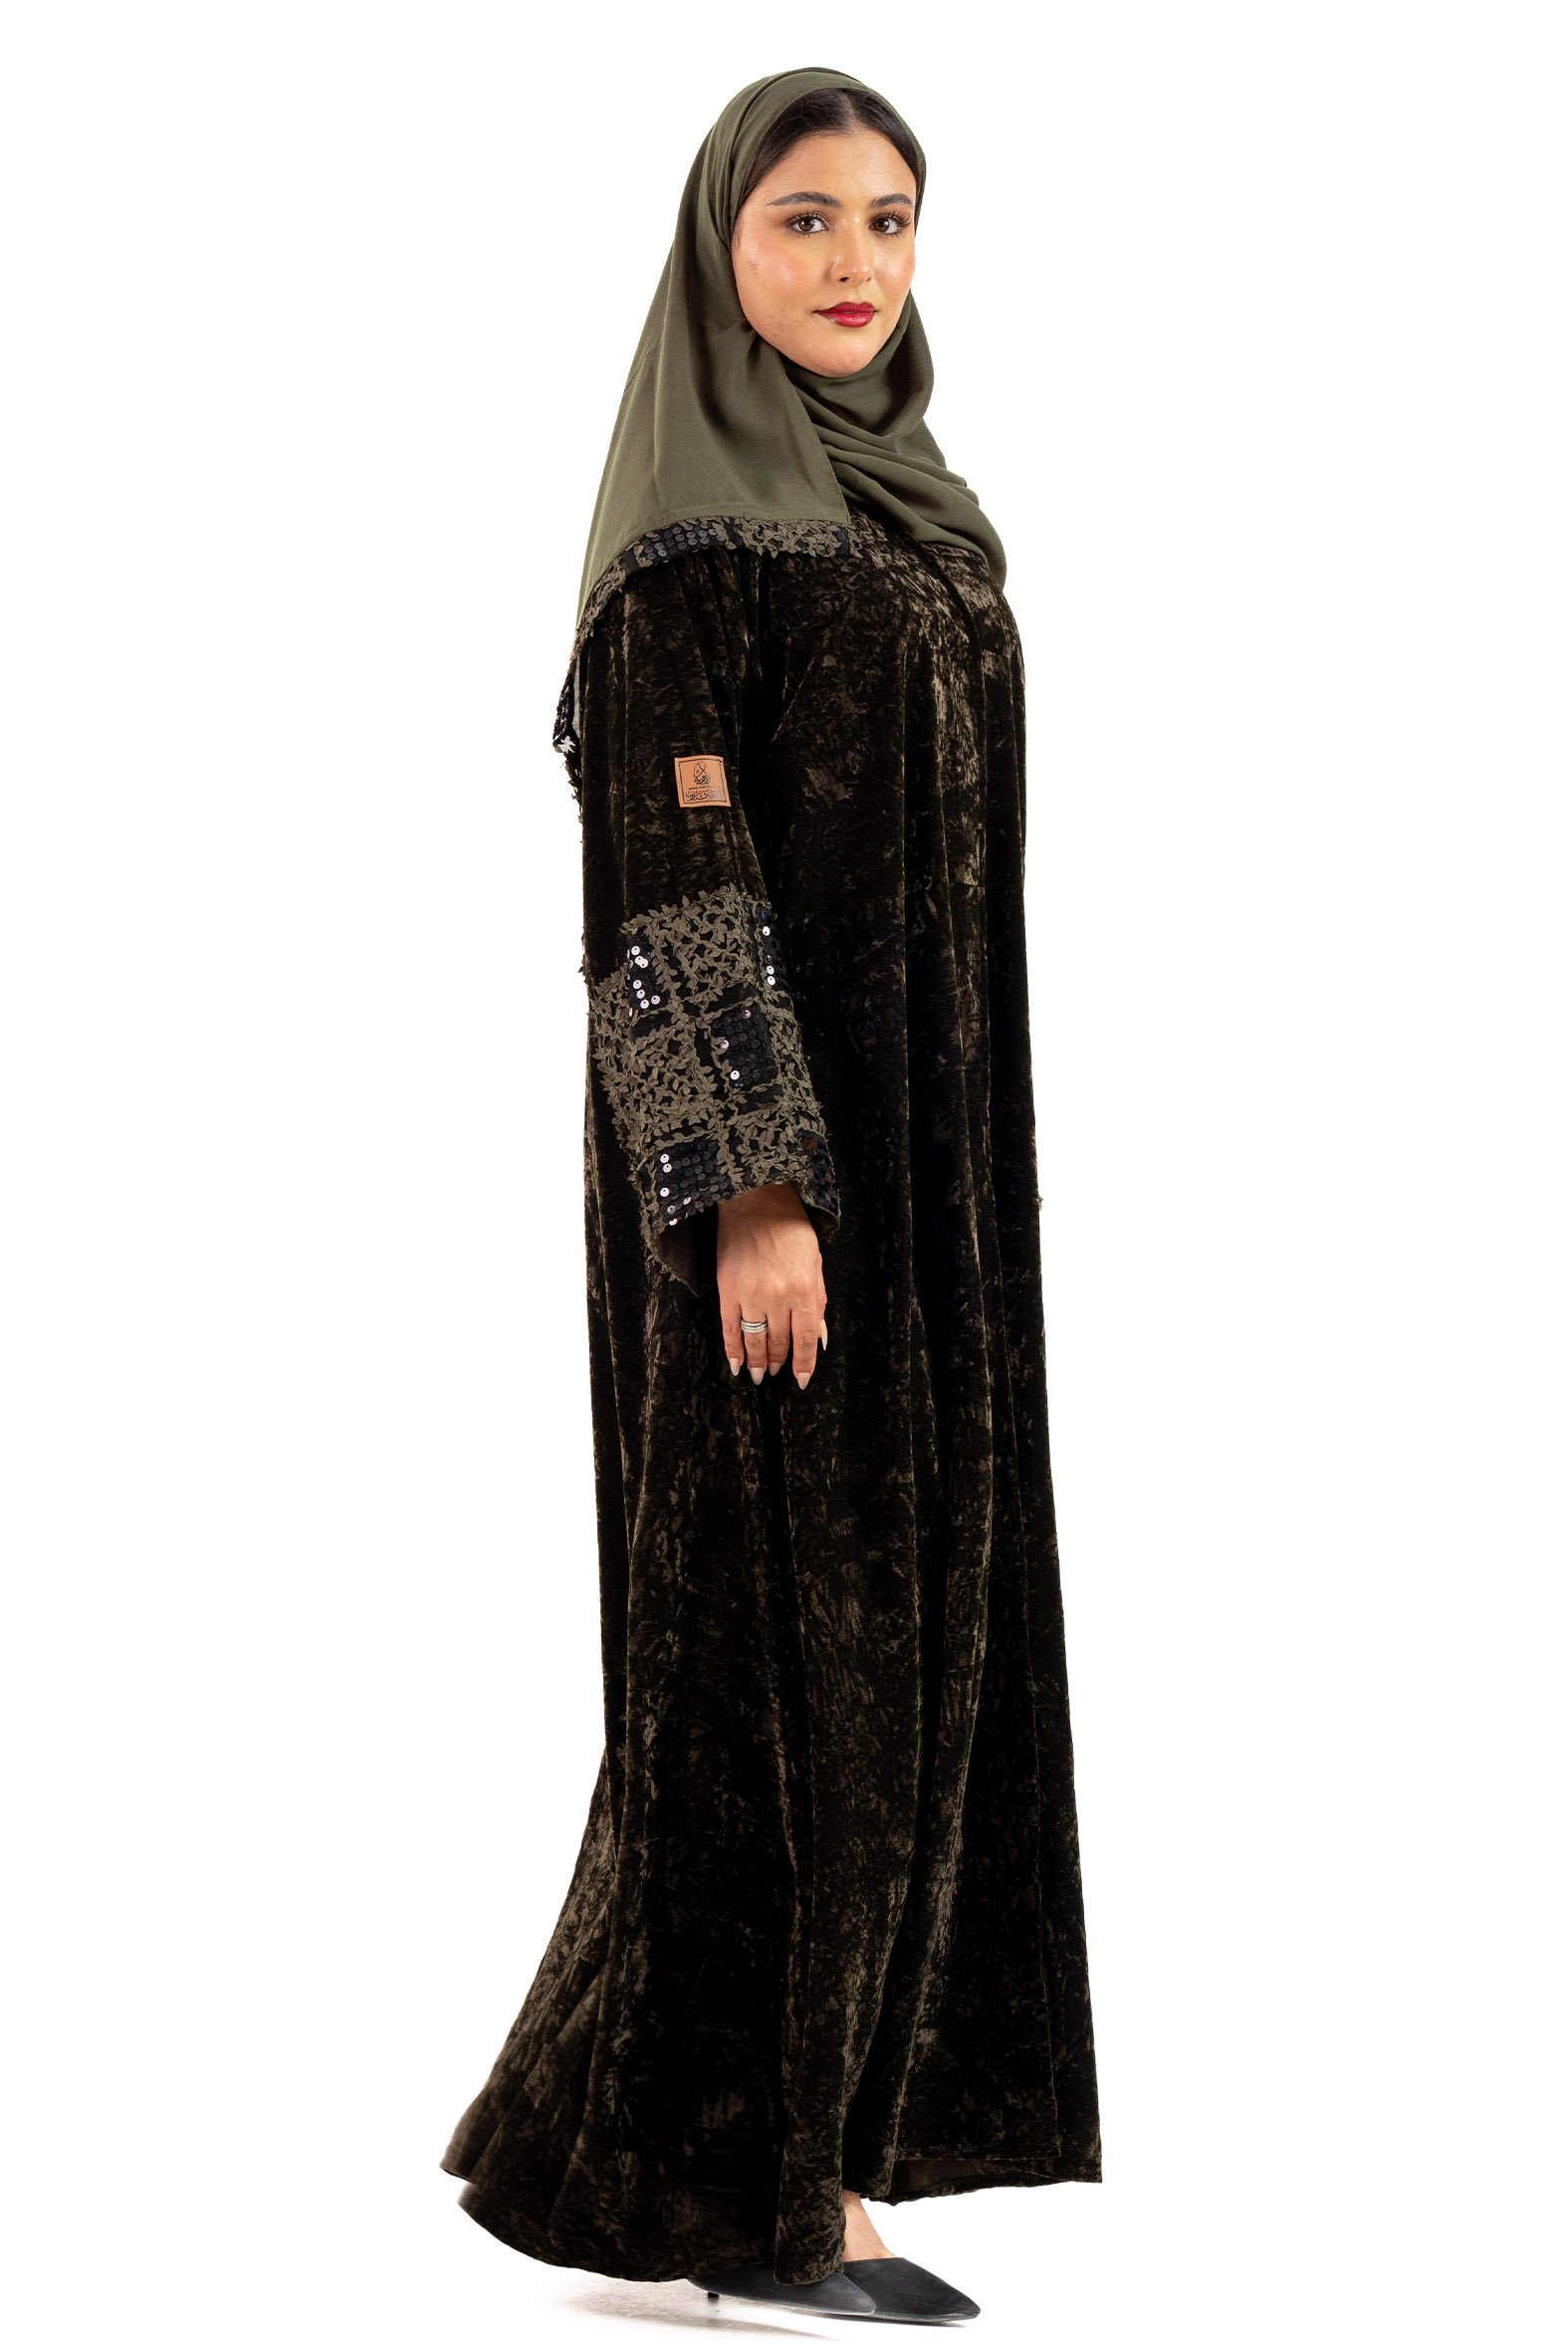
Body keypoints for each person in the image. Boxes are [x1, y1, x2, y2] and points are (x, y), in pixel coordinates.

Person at [439, 64, 1102, 2325]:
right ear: (718, 245)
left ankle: (684, 2138)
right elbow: (670, 882)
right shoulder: (684, 547)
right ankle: (764, 2194)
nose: (852, 262)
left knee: (911, 1652)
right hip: (773, 1198)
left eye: (889, 220)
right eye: (804, 217)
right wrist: (749, 1190)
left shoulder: (924, 524)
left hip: (935, 1184)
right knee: (771, 1666)